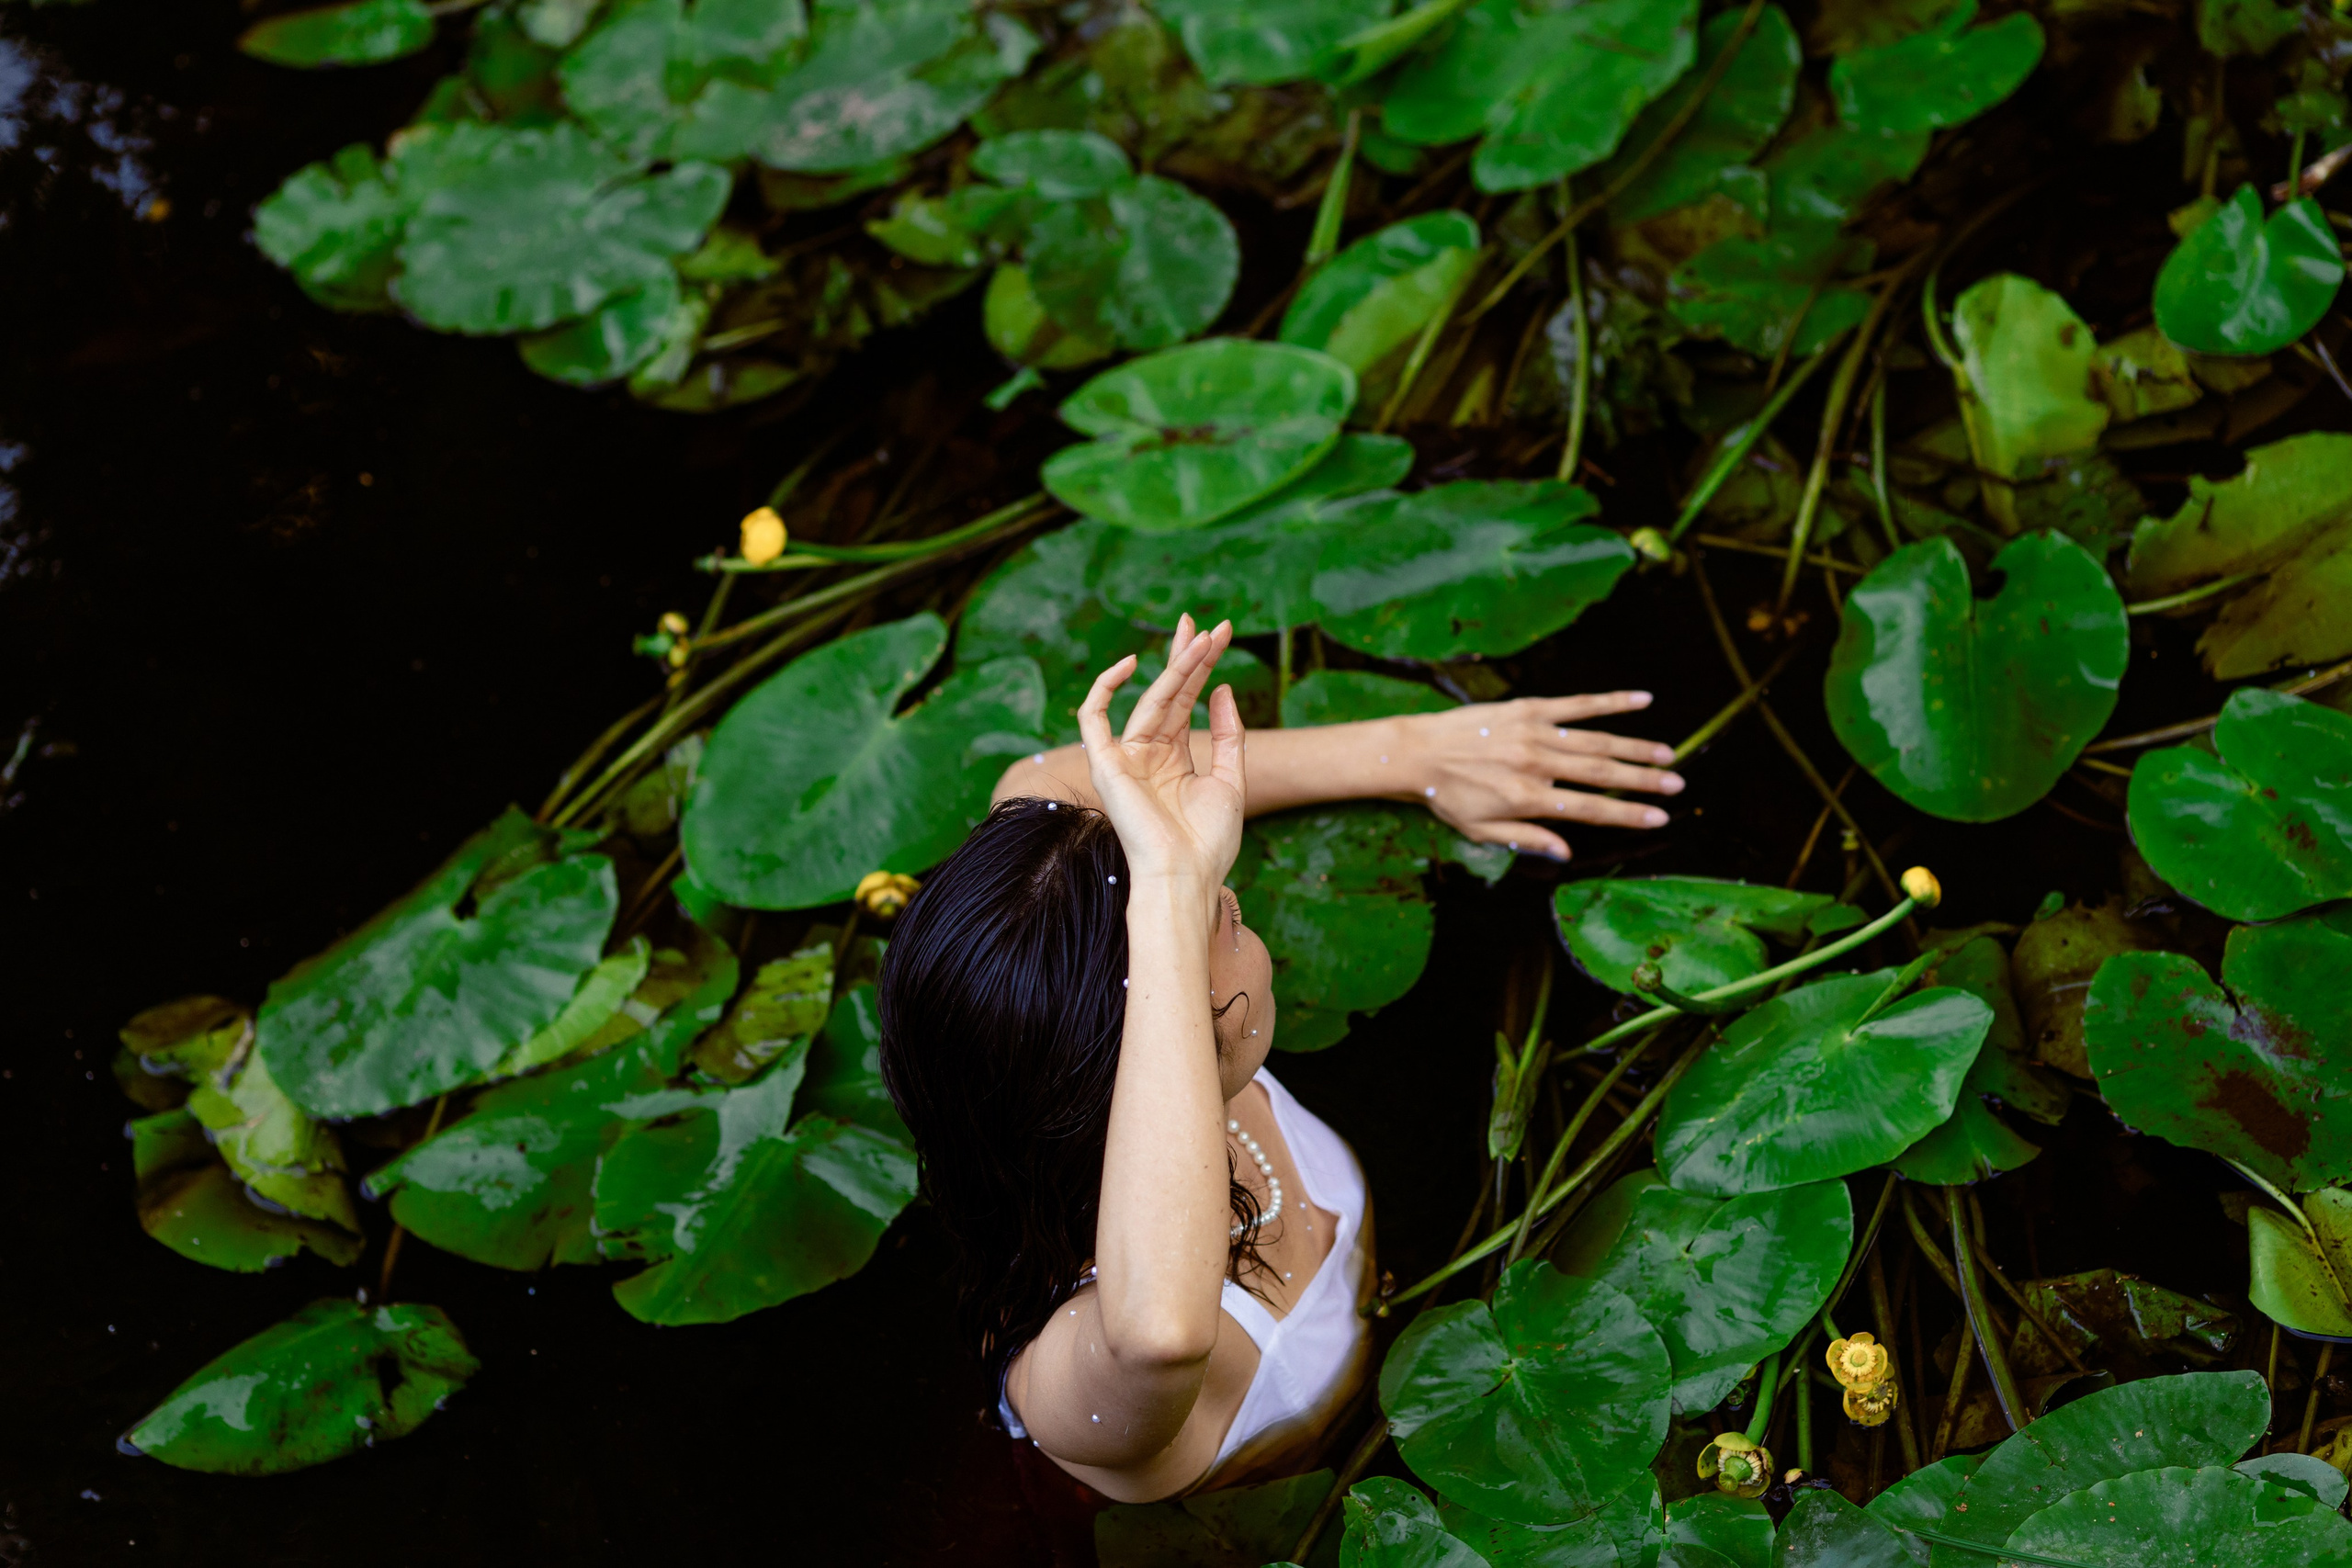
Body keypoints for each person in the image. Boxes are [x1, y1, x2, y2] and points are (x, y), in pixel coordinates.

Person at [876, 615, 1683, 1506]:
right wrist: (1169, 901)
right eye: (1206, 922)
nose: (1221, 892)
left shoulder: (1036, 1041)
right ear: (1159, 1036)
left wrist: (1417, 753)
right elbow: (1158, 1335)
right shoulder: (1071, 1370)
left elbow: (1035, 785)